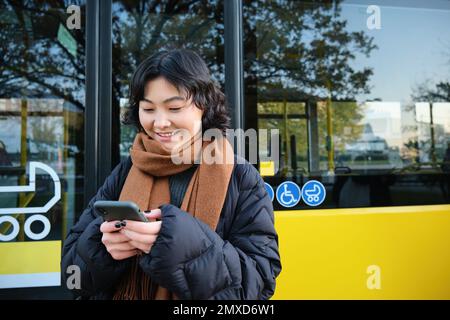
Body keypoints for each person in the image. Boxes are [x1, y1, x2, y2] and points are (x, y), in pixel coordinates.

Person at [61, 49, 281, 300]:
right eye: (148, 109)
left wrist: (183, 248)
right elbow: (72, 273)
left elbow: (260, 281)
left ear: (204, 106)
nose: (160, 123)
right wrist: (101, 248)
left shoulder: (241, 177)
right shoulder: (126, 170)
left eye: (174, 108)